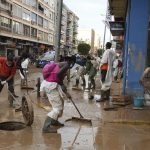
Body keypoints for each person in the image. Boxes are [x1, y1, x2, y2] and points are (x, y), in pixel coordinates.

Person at [40, 55, 76, 133]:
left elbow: (59, 78)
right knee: (57, 108)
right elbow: (58, 75)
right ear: (72, 62)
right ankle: (46, 127)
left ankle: (54, 121)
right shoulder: (67, 65)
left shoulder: (61, 63)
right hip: (50, 86)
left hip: (52, 84)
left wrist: (65, 92)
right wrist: (64, 88)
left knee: (61, 103)